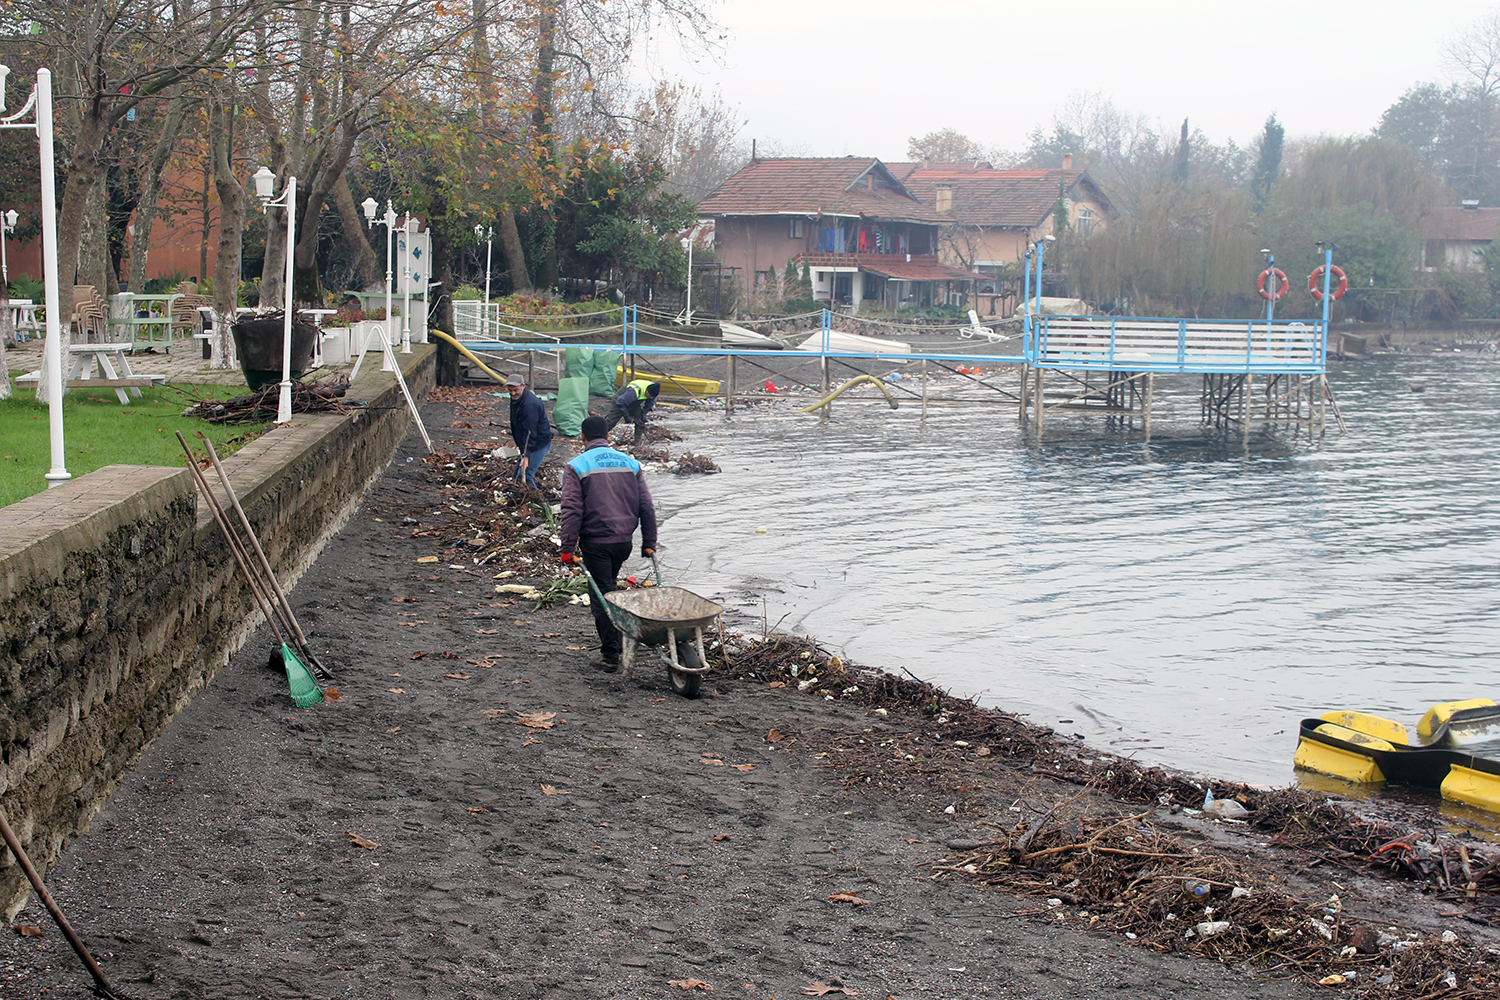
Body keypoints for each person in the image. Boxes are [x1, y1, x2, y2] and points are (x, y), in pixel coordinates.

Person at [559, 414, 658, 672]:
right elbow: (646, 505)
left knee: (602, 596)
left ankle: (611, 654)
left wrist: (567, 548)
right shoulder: (630, 463)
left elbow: (571, 509)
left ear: (582, 437)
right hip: (624, 542)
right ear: (608, 436)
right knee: (609, 588)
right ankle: (620, 641)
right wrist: (649, 542)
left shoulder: (577, 465)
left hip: (596, 542)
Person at [505, 373, 553, 488]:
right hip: (527, 443)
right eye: (510, 390)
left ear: (523, 385)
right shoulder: (517, 398)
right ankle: (521, 501)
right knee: (517, 477)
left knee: (526, 476)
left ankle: (540, 504)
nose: (513, 393)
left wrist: (526, 456)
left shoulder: (529, 405)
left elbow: (530, 433)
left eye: (515, 390)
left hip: (538, 443)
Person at [605, 378, 661, 445]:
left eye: (653, 397)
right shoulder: (633, 391)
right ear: (647, 391)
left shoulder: (653, 392)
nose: (651, 397)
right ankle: (598, 437)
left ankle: (637, 443)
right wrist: (626, 416)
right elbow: (620, 402)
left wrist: (643, 413)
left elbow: (649, 404)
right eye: (650, 396)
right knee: (611, 421)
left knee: (640, 421)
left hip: (634, 403)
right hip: (620, 401)